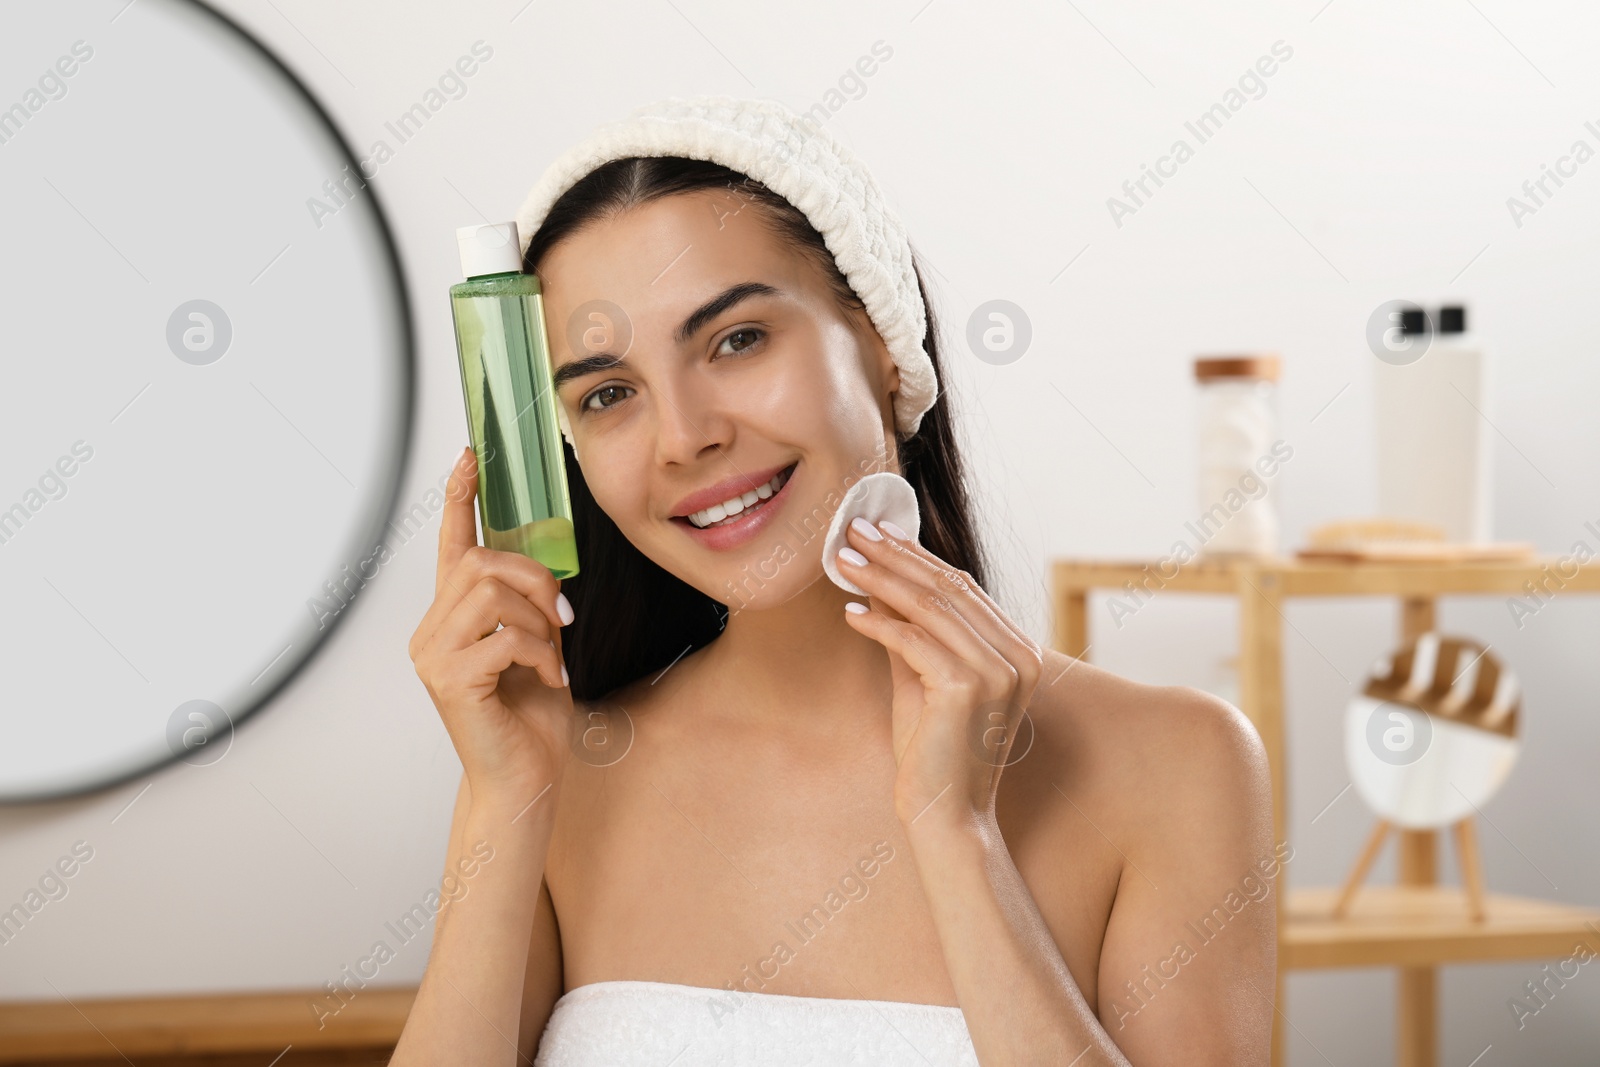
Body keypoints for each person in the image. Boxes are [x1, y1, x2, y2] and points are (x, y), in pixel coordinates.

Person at [393, 97, 1276, 1066]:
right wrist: (505, 798)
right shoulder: (552, 777)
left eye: (736, 339)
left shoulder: (1173, 765)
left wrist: (956, 831)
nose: (686, 435)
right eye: (609, 394)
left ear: (882, 341)